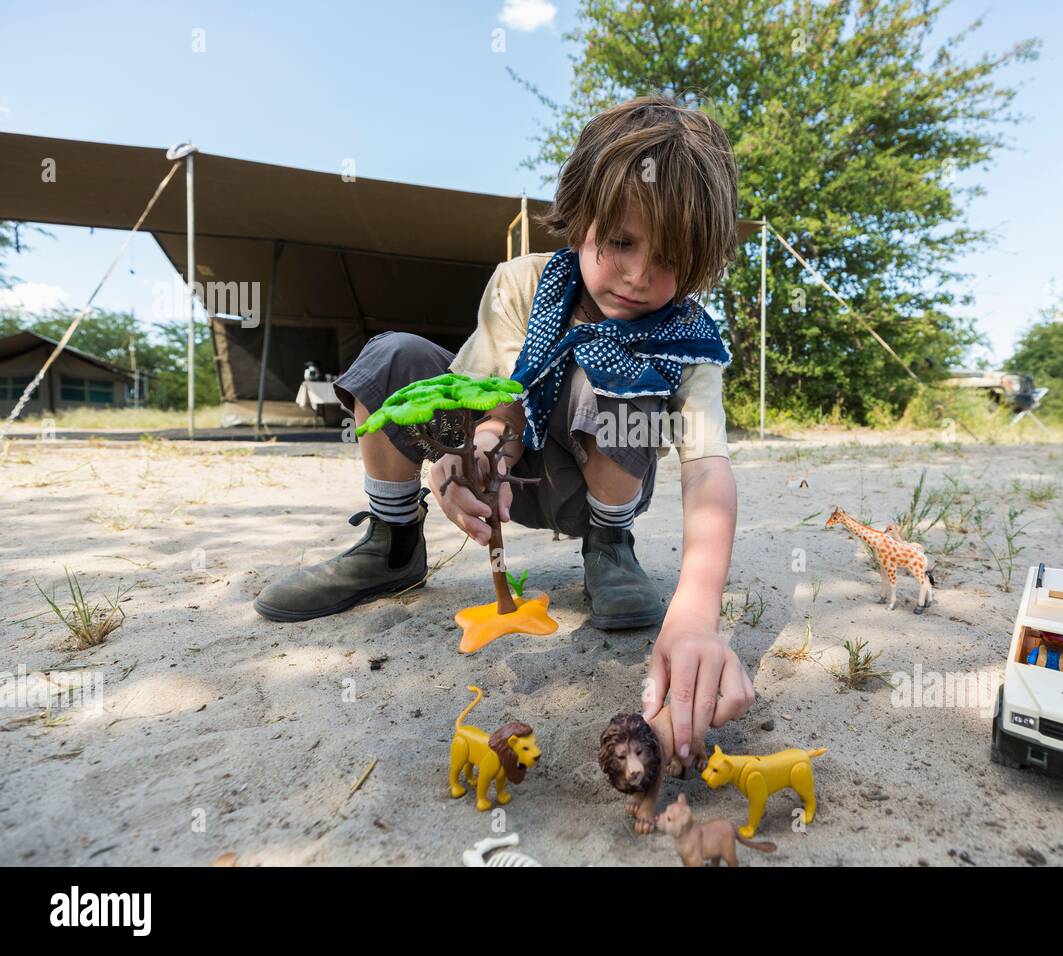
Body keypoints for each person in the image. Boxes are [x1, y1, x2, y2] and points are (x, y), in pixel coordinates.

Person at [254, 94, 755, 758]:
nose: (637, 275)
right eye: (621, 243)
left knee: (619, 376)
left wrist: (696, 613)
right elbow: (498, 397)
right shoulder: (522, 284)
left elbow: (709, 471)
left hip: (594, 489)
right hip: (517, 470)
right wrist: (468, 453)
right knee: (392, 358)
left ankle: (610, 551)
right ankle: (393, 543)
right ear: (580, 219)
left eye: (666, 262)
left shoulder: (689, 339)